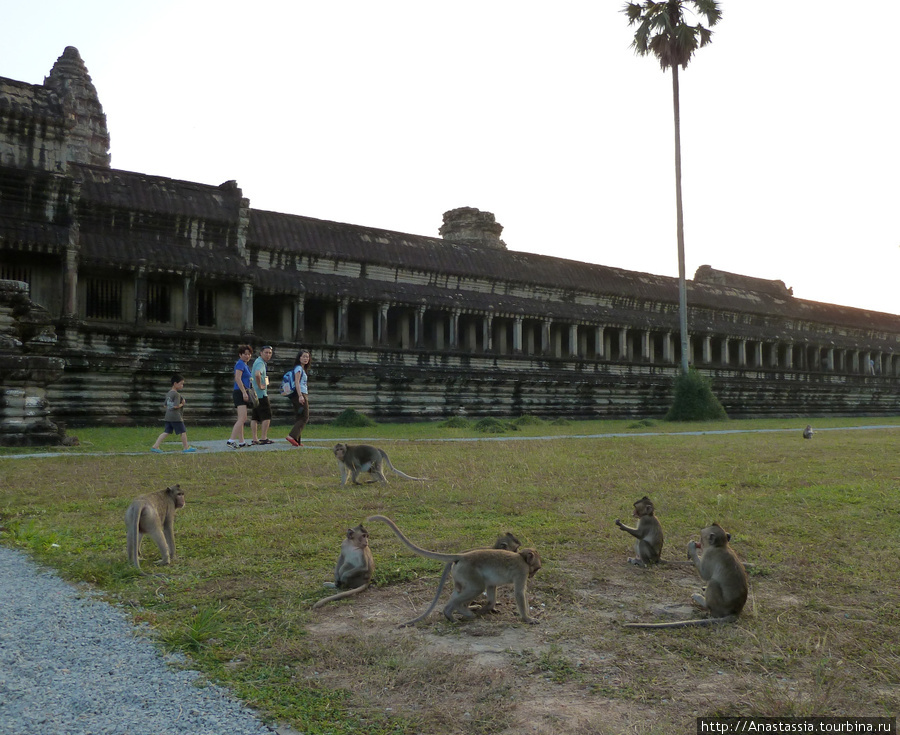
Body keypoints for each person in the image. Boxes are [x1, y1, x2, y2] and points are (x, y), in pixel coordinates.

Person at [151, 373, 197, 453]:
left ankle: (155, 446)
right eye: (181, 384)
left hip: (168, 416)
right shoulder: (177, 394)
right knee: (183, 431)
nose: (182, 385)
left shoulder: (169, 393)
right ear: (175, 383)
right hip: (176, 416)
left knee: (166, 432)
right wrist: (182, 404)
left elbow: (165, 405)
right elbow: (176, 406)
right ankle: (186, 447)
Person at [227, 345, 253, 449]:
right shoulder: (240, 364)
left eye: (249, 354)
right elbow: (238, 378)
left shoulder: (245, 365)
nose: (247, 356)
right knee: (242, 418)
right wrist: (244, 392)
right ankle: (231, 440)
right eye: (245, 354)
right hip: (240, 391)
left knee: (242, 418)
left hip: (243, 391)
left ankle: (241, 441)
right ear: (240, 354)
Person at [286, 349, 311, 447]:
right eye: (304, 356)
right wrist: (300, 395)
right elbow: (297, 382)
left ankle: (297, 440)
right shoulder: (299, 369)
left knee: (299, 417)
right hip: (300, 393)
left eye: (307, 357)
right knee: (305, 416)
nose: (306, 359)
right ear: (299, 358)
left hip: (300, 393)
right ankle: (291, 436)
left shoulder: (301, 368)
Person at [250, 345, 274, 445]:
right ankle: (264, 437)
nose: (268, 355)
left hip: (255, 394)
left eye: (270, 353)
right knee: (267, 415)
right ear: (261, 353)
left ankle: (255, 438)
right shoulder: (260, 363)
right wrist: (260, 386)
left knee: (255, 417)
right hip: (261, 394)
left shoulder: (259, 361)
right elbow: (257, 374)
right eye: (266, 352)